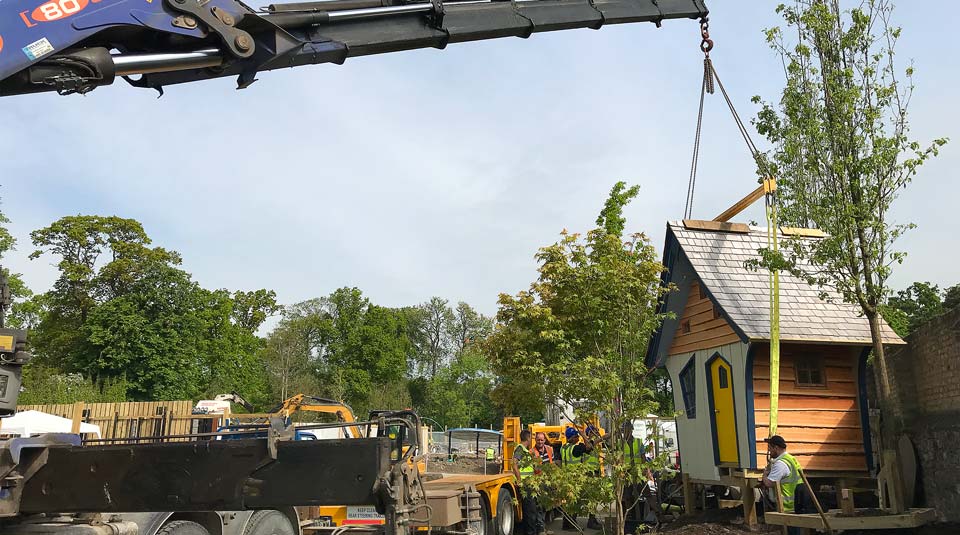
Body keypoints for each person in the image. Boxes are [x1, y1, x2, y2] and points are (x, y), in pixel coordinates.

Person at [760, 435, 804, 535]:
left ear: (776, 448)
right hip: (797, 503)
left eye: (770, 448)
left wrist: (764, 476)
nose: (769, 451)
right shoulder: (791, 459)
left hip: (787, 506)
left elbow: (769, 483)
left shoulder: (780, 464)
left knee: (791, 531)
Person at [513, 430, 546, 535]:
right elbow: (514, 464)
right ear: (528, 438)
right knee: (530, 512)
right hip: (525, 485)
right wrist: (519, 480)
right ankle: (530, 532)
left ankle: (532, 531)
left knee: (532, 510)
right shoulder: (520, 449)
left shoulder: (525, 451)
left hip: (530, 484)